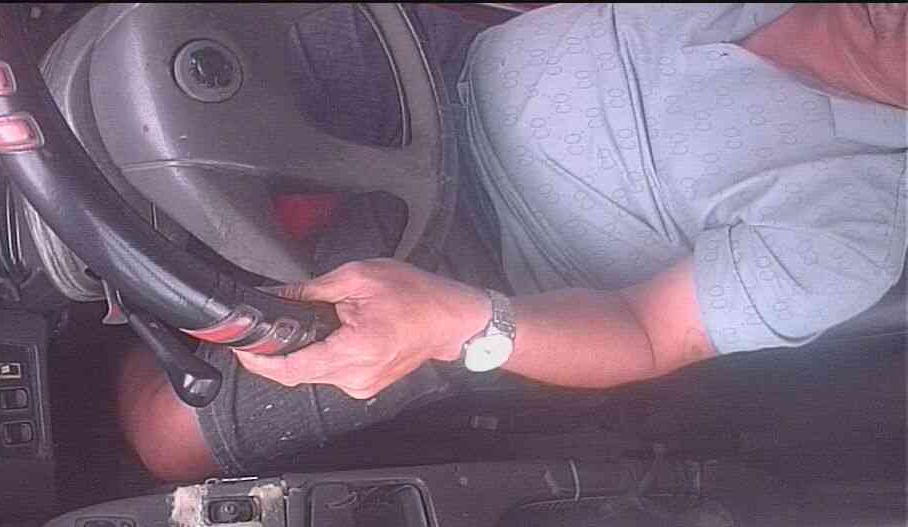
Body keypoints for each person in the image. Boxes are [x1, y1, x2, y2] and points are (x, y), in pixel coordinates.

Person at [118, 3, 907, 483]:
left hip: (468, 260)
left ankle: (123, 304)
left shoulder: (849, 228)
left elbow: (645, 334)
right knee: (144, 43)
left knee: (170, 434)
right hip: (432, 60)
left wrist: (460, 322)